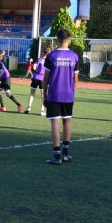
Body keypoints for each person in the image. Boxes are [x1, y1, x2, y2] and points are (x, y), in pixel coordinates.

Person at [42, 29, 79, 165]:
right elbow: (75, 80)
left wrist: (44, 95)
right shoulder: (74, 56)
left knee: (55, 124)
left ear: (57, 40)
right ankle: (66, 154)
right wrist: (71, 92)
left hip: (54, 95)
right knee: (67, 121)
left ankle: (57, 157)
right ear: (69, 39)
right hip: (68, 95)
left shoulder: (51, 56)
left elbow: (45, 79)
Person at [26, 47, 50, 115]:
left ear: (43, 52)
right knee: (43, 95)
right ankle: (42, 111)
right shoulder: (49, 60)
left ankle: (28, 108)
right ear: (48, 53)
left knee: (32, 94)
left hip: (35, 77)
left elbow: (34, 68)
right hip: (43, 79)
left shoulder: (39, 59)